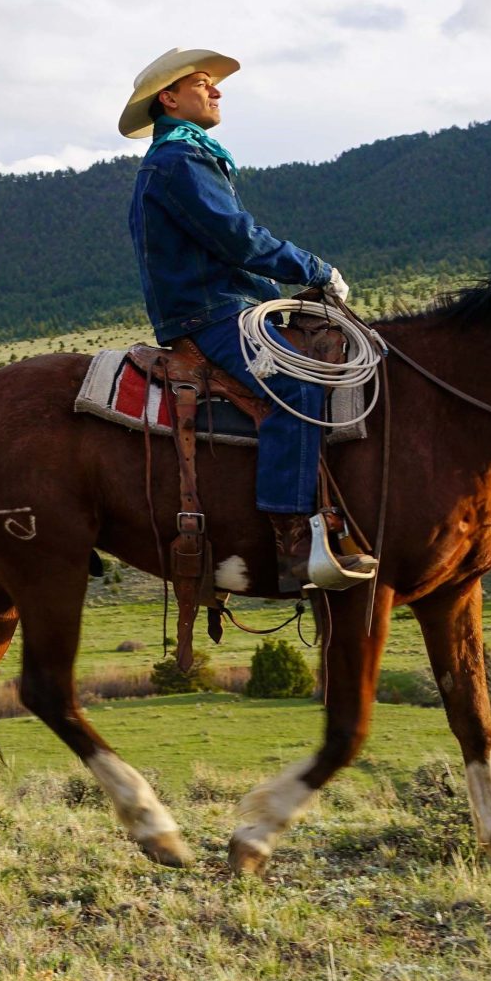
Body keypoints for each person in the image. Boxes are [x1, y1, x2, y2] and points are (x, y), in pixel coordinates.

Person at [122, 47, 372, 594]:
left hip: (228, 305)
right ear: (169, 97)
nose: (217, 91)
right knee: (296, 381)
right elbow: (236, 237)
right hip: (211, 312)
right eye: (204, 83)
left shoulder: (188, 156)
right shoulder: (178, 161)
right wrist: (315, 269)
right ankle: (293, 541)